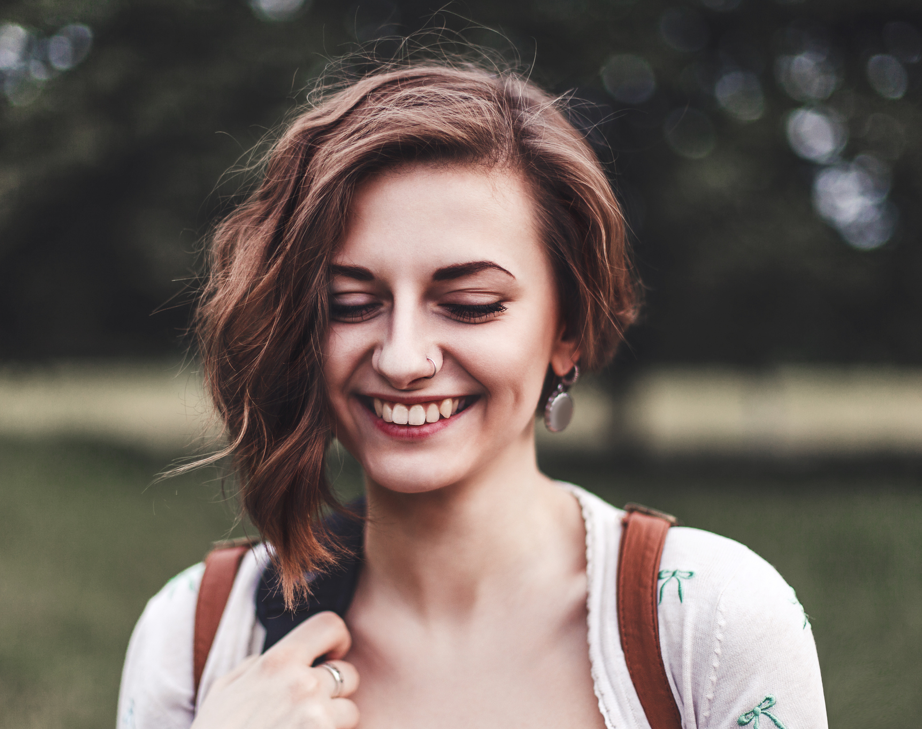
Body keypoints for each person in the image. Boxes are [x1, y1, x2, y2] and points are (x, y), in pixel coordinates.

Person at [118, 57, 827, 729]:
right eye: (349, 302)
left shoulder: (713, 620)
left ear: (567, 331)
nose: (401, 358)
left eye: (470, 303)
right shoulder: (192, 633)